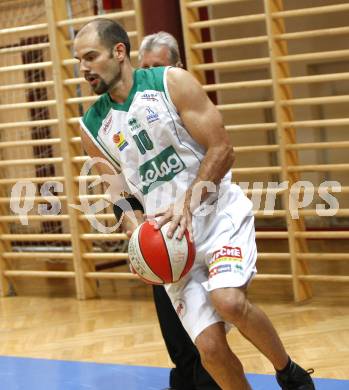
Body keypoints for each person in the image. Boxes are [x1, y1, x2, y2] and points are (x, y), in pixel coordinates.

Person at [74, 18, 315, 390]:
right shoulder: (92, 126)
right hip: (172, 241)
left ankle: (288, 372)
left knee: (229, 301)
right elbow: (120, 193)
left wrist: (188, 201)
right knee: (209, 347)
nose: (84, 67)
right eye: (79, 60)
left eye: (91, 56)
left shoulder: (171, 82)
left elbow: (223, 148)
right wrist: (135, 235)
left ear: (119, 52)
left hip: (216, 216)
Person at [137, 31, 219, 390]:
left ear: (177, 68)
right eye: (146, 68)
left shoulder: (188, 103)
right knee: (175, 335)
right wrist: (132, 225)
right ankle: (185, 382)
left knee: (209, 331)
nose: (151, 75)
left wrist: (189, 204)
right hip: (160, 233)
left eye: (159, 67)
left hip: (204, 225)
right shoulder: (129, 116)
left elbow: (220, 156)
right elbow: (118, 182)